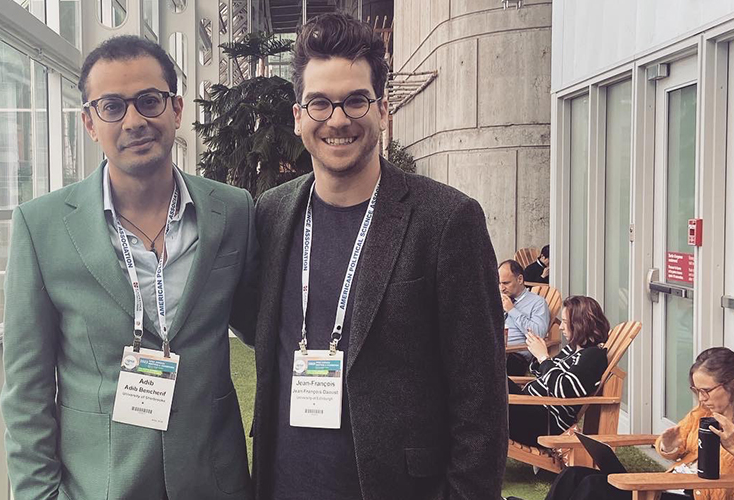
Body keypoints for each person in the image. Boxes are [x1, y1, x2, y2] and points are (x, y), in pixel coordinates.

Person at [248, 12, 507, 500]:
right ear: (299, 117)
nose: (338, 119)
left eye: (356, 100)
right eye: (320, 103)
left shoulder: (446, 220)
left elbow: (482, 400)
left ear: (383, 110)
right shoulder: (271, 214)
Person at [0, 36, 257, 500]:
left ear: (176, 109)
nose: (134, 121)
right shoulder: (41, 227)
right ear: (90, 123)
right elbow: (26, 391)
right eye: (112, 107)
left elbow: (264, 325)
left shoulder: (233, 211)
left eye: (149, 101)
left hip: (213, 480)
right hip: (99, 484)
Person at [534, 347, 734, 500]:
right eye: (697, 391)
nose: (702, 398)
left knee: (594, 486)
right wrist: (668, 445)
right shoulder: (702, 414)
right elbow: (673, 445)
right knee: (573, 474)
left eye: (706, 391)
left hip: (693, 495)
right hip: (668, 486)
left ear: (730, 384)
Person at [507, 295, 609, 448]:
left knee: (490, 382)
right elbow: (543, 373)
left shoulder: (593, 356)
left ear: (580, 324)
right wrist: (539, 354)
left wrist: (543, 357)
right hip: (529, 406)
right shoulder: (572, 349)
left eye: (566, 322)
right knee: (491, 376)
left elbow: (564, 388)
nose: (560, 327)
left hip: (542, 422)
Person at [500, 259, 551, 375]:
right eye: (499, 283)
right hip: (494, 350)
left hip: (515, 356)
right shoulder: (499, 300)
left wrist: (512, 310)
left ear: (520, 279)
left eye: (506, 283)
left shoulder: (537, 303)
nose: (501, 288)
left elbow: (538, 334)